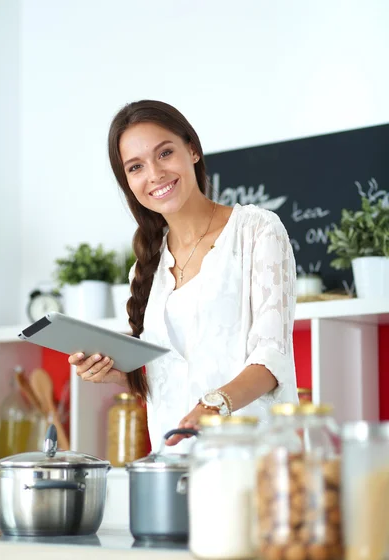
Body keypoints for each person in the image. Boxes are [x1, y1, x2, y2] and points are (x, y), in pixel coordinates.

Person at [68, 99, 298, 452]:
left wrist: (213, 405)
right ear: (127, 182)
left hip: (257, 460)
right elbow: (176, 375)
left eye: (164, 153)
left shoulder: (256, 230)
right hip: (176, 461)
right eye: (135, 167)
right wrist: (125, 376)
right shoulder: (147, 265)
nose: (154, 175)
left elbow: (271, 358)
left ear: (191, 150)